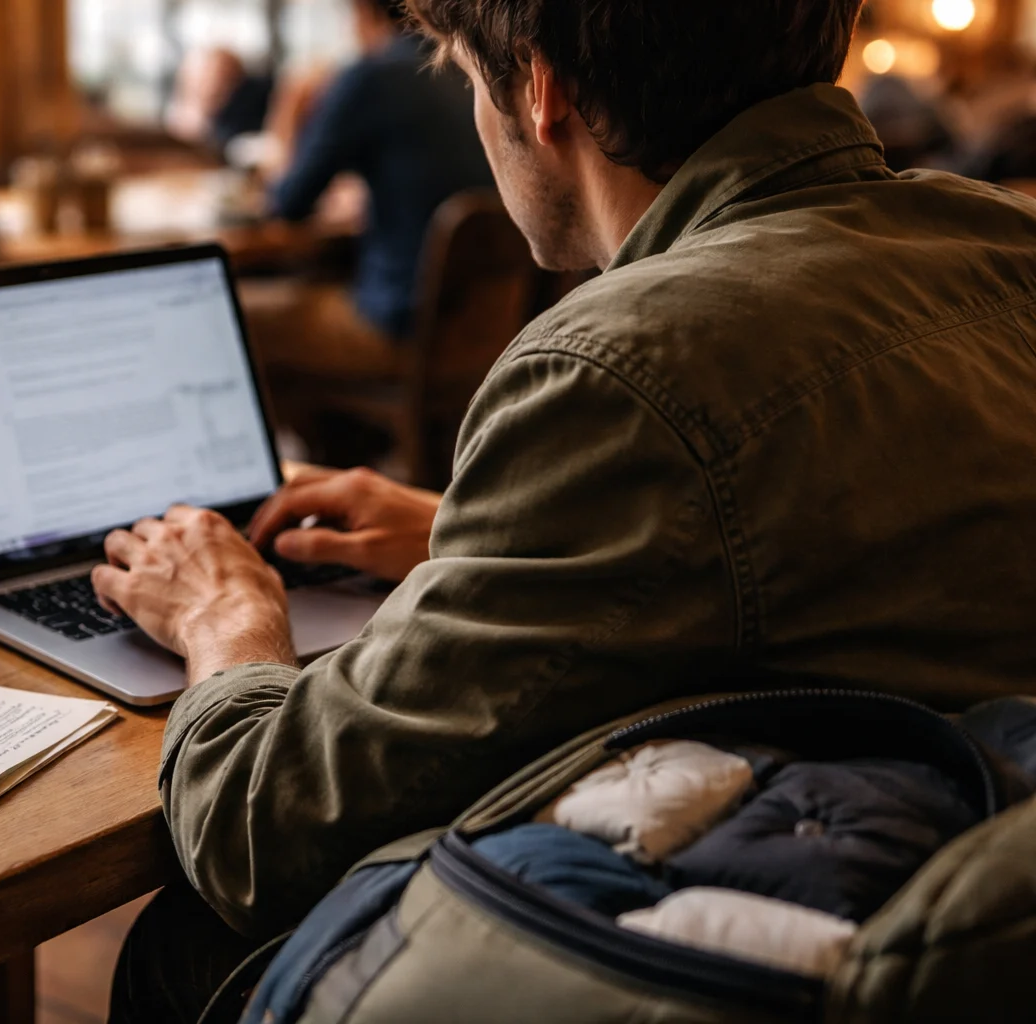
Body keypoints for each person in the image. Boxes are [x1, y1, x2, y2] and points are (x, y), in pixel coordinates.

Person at [93, 0, 1036, 1019]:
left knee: (186, 942)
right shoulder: (1001, 241)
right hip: (976, 913)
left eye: (465, 78)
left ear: (540, 90)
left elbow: (258, 833)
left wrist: (224, 614)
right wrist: (483, 529)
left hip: (779, 957)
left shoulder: (622, 368)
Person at [237, 0, 494, 381]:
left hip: (398, 330)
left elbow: (287, 202)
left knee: (237, 311)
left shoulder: (370, 77)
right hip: (485, 329)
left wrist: (287, 108)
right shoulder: (470, 72)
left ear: (363, 12)